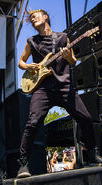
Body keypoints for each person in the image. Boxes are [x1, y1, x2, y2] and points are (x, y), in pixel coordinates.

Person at [17, 9, 102, 178]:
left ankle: (92, 153)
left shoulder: (62, 38)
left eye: (36, 16)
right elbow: (21, 61)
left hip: (64, 87)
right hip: (42, 89)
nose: (33, 19)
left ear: (46, 17)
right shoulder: (31, 41)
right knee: (33, 123)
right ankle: (23, 164)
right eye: (31, 18)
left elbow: (73, 61)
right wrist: (28, 66)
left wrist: (67, 56)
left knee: (85, 117)